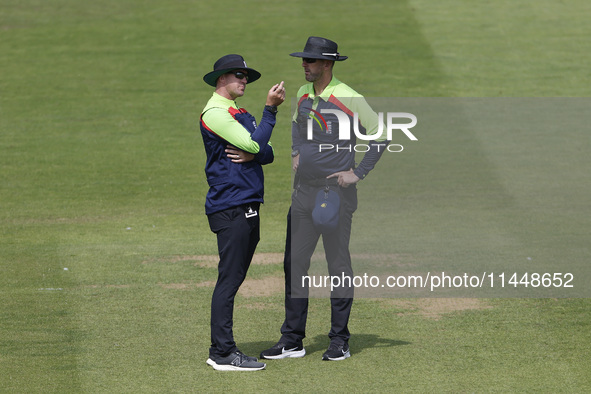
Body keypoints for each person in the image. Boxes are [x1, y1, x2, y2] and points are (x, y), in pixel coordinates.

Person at [260, 37, 388, 361]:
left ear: (327, 65)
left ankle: (339, 340)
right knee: (294, 265)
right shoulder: (303, 95)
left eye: (310, 61)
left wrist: (358, 173)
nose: (304, 65)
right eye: (304, 60)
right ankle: (292, 340)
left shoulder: (349, 98)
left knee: (338, 265)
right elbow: (296, 126)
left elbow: (382, 134)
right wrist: (294, 153)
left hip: (335, 195)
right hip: (303, 192)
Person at [200, 54, 285, 371]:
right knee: (229, 280)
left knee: (233, 278)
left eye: (246, 75)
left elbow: (267, 152)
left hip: (247, 205)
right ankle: (222, 353)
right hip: (231, 206)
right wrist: (271, 111)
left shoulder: (241, 114)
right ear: (221, 78)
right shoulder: (216, 114)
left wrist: (254, 150)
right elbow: (254, 145)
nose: (244, 80)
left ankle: (222, 349)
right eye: (239, 75)